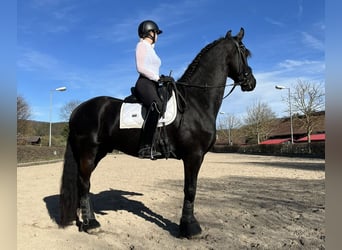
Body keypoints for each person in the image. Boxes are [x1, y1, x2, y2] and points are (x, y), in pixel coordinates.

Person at [134, 20, 164, 159]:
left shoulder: (152, 50)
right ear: (150, 33)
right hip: (145, 82)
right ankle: (145, 147)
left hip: (153, 83)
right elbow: (140, 68)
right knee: (156, 105)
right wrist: (157, 78)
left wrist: (162, 79)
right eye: (156, 32)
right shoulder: (142, 45)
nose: (157, 35)